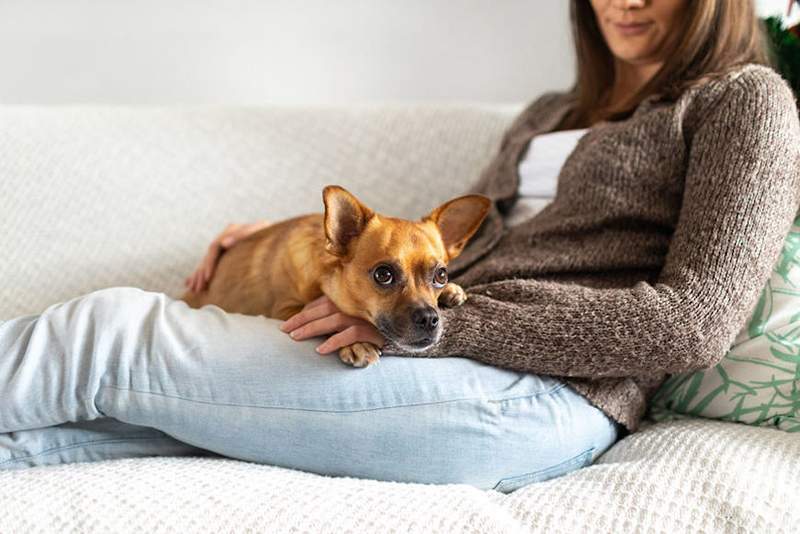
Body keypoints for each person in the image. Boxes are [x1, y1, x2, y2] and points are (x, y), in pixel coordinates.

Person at [1, 0, 798, 493]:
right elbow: (427, 251)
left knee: (105, 336)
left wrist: (440, 328)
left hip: (545, 397)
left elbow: (694, 323)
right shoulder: (552, 111)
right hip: (439, 359)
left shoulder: (745, 101)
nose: (623, 0)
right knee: (72, 433)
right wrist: (286, 241)